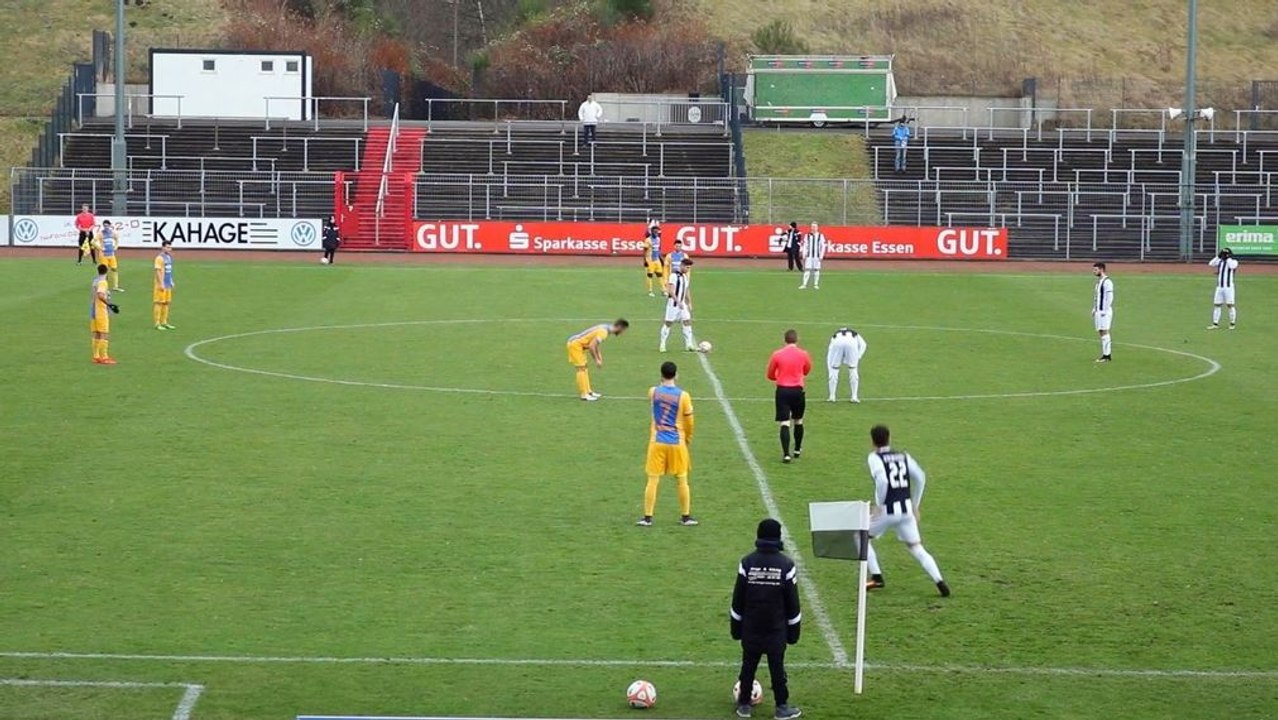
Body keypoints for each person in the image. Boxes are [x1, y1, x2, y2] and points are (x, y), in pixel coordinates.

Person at [864, 424, 950, 597]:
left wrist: (879, 505)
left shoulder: (874, 458)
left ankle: (877, 577)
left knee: (860, 537)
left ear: (872, 441)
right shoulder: (903, 456)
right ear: (890, 437)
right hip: (906, 510)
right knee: (916, 547)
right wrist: (915, 505)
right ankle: (939, 581)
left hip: (887, 511)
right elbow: (921, 477)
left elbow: (882, 481)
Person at [730, 518, 802, 720]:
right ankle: (781, 706)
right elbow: (792, 603)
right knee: (777, 668)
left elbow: (738, 599)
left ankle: (744, 705)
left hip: (751, 627)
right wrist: (793, 631)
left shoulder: (747, 562)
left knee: (748, 666)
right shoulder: (786, 565)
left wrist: (736, 628)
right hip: (776, 628)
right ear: (778, 537)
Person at [637, 361, 698, 527]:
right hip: (677, 441)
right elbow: (690, 421)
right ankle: (685, 516)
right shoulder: (683, 396)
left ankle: (647, 517)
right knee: (682, 479)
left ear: (661, 374)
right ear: (676, 375)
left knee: (653, 479)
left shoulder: (653, 392)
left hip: (657, 441)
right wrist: (688, 438)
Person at [766, 329, 811, 463]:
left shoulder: (777, 354)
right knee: (798, 420)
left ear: (784, 340)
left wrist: (780, 377)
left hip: (783, 391)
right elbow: (807, 370)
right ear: (797, 339)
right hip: (797, 390)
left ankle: (786, 454)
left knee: (784, 422)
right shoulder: (803, 354)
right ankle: (797, 449)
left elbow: (770, 374)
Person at [565, 319, 629, 401]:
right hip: (575, 345)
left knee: (584, 368)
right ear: (620, 327)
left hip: (579, 345)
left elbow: (595, 344)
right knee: (581, 369)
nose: (622, 333)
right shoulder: (603, 332)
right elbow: (592, 346)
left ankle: (589, 392)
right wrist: (596, 360)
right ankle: (584, 395)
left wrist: (599, 357)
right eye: (623, 330)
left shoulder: (605, 328)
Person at [660, 257, 696, 353]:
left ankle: (689, 344)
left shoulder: (685, 277)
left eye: (689, 268)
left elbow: (686, 290)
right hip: (673, 304)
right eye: (687, 267)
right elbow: (671, 290)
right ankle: (662, 344)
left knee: (687, 321)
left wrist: (689, 303)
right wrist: (678, 301)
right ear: (682, 266)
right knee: (668, 323)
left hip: (682, 304)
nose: (688, 270)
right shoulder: (673, 276)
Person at [826, 327, 867, 403]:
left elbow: (830, 352)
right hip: (852, 343)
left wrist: (831, 366)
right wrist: (858, 356)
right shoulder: (856, 335)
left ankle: (832, 396)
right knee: (853, 369)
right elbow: (864, 345)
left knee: (834, 369)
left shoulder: (835, 336)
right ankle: (854, 397)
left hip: (837, 343)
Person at [89, 264, 117, 365]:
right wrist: (109, 304)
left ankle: (96, 356)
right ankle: (104, 357)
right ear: (107, 271)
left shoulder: (95, 280)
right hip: (100, 310)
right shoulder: (103, 282)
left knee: (96, 333)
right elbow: (100, 295)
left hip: (93, 310)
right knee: (104, 333)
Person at [1207, 247, 1238, 330]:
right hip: (1219, 287)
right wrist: (1218, 256)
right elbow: (1211, 263)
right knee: (1217, 305)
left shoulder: (1233, 262)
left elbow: (1232, 266)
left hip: (1228, 287)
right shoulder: (1220, 261)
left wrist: (1228, 258)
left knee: (1230, 305)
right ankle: (1215, 323)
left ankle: (1232, 323)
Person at [1092, 261, 1113, 362]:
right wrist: (1094, 308)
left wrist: (1105, 310)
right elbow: (1097, 297)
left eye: (1095, 270)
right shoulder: (1099, 282)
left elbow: (1110, 297)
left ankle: (1107, 356)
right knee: (1101, 331)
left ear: (1101, 269)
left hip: (1104, 312)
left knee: (1104, 331)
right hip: (1099, 311)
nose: (1094, 271)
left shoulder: (1107, 282)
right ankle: (1105, 354)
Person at [153, 240, 176, 331]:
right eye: (167, 247)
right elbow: (158, 271)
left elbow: (168, 271)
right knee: (159, 303)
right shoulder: (159, 258)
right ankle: (157, 323)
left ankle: (164, 322)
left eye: (170, 247)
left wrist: (171, 281)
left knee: (166, 303)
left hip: (167, 284)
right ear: (163, 247)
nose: (169, 249)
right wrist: (161, 283)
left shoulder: (168, 257)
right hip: (161, 285)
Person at [798, 223, 826, 290]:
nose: (813, 228)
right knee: (807, 269)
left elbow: (823, 246)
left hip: (817, 256)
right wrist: (804, 254)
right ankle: (804, 284)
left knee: (816, 269)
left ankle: (816, 284)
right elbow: (805, 245)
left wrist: (821, 255)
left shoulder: (820, 236)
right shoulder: (807, 235)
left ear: (817, 228)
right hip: (809, 256)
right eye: (812, 227)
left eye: (815, 227)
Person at [100, 220, 123, 291]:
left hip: (111, 254)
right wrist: (100, 248)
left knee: (114, 269)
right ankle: (104, 286)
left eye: (107, 225)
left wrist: (116, 246)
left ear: (110, 225)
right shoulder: (100, 233)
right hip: (104, 255)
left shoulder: (113, 233)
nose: (105, 227)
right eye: (104, 226)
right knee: (104, 271)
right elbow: (93, 241)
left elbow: (117, 239)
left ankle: (115, 286)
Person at [642, 222, 663, 296]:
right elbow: (645, 250)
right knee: (650, 275)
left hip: (657, 259)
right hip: (650, 260)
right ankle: (650, 291)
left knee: (660, 274)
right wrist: (645, 260)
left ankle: (663, 290)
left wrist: (661, 258)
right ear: (651, 232)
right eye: (655, 232)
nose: (656, 233)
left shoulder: (658, 239)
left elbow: (658, 249)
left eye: (657, 232)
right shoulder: (648, 240)